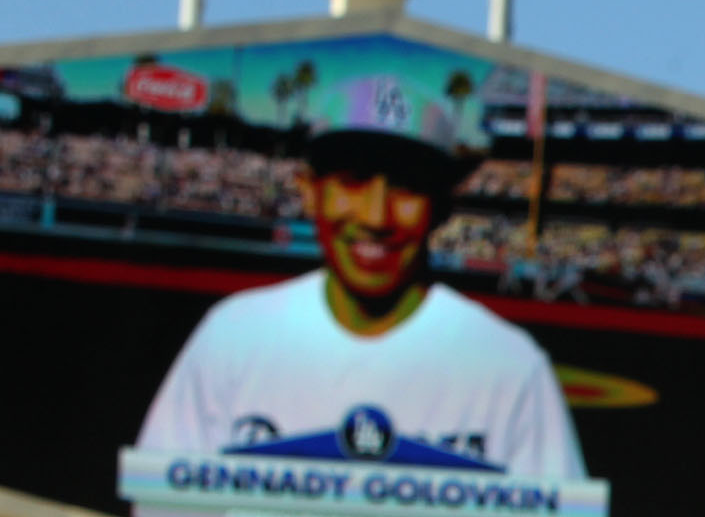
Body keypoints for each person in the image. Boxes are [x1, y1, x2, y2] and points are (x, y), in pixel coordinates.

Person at [137, 71, 585, 482]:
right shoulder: (231, 334)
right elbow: (161, 516)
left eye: (406, 186)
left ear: (442, 208)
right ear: (310, 193)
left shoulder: (510, 365)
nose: (375, 216)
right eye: (353, 181)